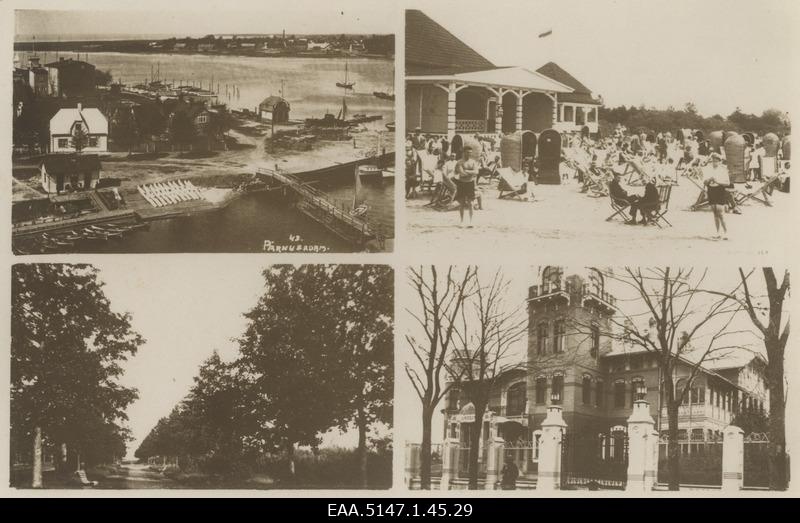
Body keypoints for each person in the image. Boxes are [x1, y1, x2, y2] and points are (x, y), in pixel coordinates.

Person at [703, 153, 730, 240]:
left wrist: (717, 181)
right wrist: (709, 180)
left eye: (716, 161)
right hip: (711, 189)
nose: (714, 163)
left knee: (720, 213)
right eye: (713, 161)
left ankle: (726, 232)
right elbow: (705, 182)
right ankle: (717, 232)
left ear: (720, 161)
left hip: (720, 190)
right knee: (714, 213)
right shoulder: (708, 169)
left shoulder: (723, 170)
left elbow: (727, 183)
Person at [455, 145, 479, 227]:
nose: (469, 154)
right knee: (461, 203)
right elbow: (462, 173)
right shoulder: (459, 162)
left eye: (470, 153)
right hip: (461, 183)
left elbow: (476, 172)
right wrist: (471, 172)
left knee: (471, 203)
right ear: (464, 152)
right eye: (467, 152)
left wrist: (467, 171)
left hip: (470, 183)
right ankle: (462, 221)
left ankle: (471, 221)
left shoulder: (473, 162)